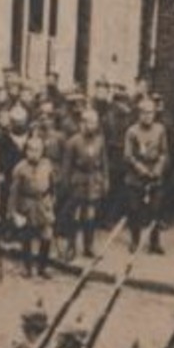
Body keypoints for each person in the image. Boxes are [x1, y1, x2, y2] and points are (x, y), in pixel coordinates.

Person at [7, 135, 58, 278]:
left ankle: (43, 267)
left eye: (37, 150)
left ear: (42, 151)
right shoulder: (20, 168)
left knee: (47, 236)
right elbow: (13, 193)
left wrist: (52, 201)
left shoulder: (47, 165)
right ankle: (27, 267)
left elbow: (53, 186)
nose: (34, 153)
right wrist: (13, 212)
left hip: (43, 204)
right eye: (31, 150)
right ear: (26, 151)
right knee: (27, 238)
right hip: (27, 206)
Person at [123, 97, 169, 254]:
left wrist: (158, 169)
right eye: (144, 112)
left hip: (155, 176)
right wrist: (140, 169)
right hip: (136, 177)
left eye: (150, 112)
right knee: (134, 209)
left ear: (155, 113)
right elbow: (128, 155)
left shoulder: (160, 130)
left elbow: (164, 153)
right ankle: (135, 240)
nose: (147, 116)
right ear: (139, 114)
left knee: (155, 209)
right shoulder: (132, 131)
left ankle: (154, 242)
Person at [64, 107, 109, 258]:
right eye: (89, 122)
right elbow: (67, 167)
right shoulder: (73, 142)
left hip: (94, 182)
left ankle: (88, 246)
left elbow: (104, 163)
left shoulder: (100, 141)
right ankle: (71, 246)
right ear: (82, 123)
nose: (92, 126)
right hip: (78, 182)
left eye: (95, 122)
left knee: (90, 216)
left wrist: (105, 180)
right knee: (75, 216)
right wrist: (67, 186)